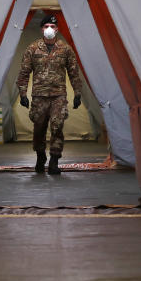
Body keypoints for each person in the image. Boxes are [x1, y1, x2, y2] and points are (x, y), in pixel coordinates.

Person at [17, 14, 84, 174]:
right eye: (46, 26)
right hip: (39, 96)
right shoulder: (32, 49)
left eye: (52, 26)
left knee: (57, 126)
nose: (49, 29)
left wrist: (77, 93)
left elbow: (74, 72)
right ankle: (41, 156)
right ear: (41, 29)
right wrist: (23, 93)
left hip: (58, 96)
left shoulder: (65, 49)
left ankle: (54, 160)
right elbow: (24, 72)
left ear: (57, 29)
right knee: (39, 128)